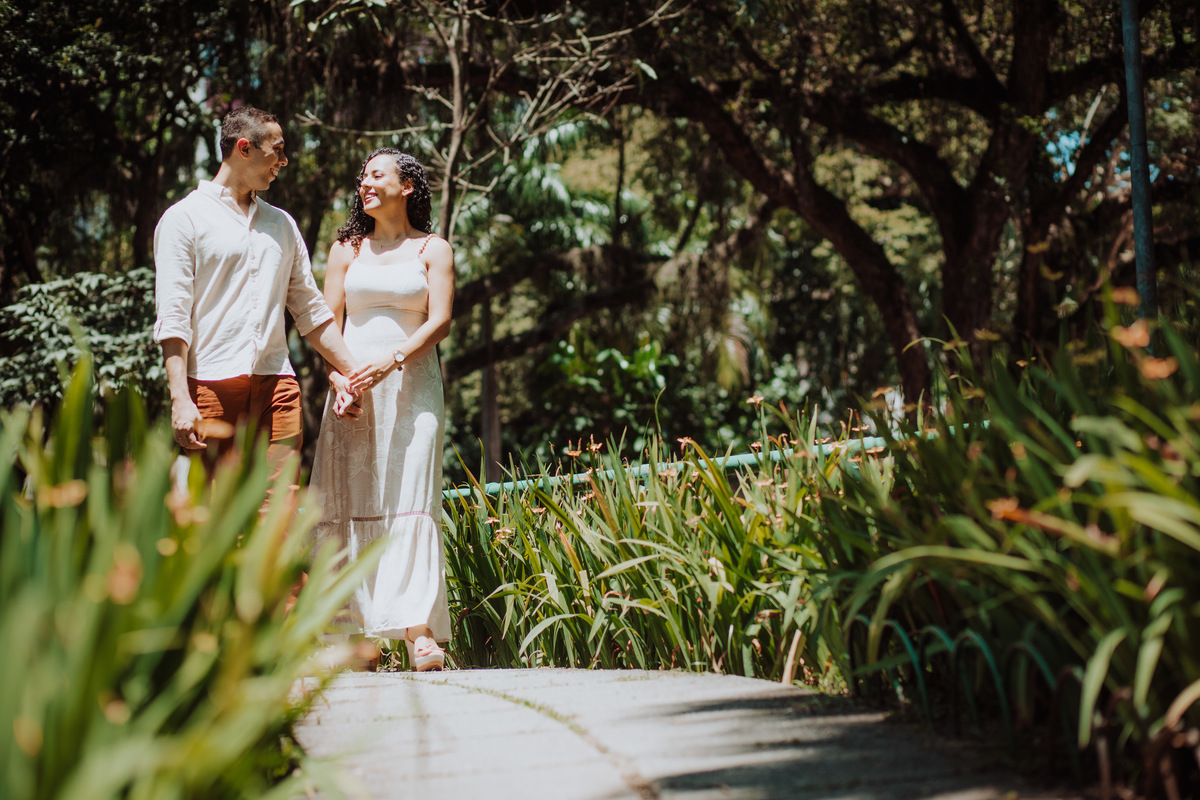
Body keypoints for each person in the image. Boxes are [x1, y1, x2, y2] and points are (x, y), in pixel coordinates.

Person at [153, 105, 360, 492]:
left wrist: (355, 375)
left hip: (277, 385)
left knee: (277, 515)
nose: (284, 160)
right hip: (210, 386)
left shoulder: (281, 223)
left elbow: (310, 309)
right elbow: (173, 314)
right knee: (217, 516)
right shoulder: (184, 219)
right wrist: (180, 399)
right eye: (277, 150)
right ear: (243, 148)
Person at [310, 148, 455, 671]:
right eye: (362, 177)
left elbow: (439, 321)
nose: (364, 183)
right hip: (352, 390)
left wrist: (391, 361)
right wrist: (340, 379)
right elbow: (325, 326)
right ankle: (353, 635)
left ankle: (419, 631)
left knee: (410, 497)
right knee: (351, 500)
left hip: (412, 387)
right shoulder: (345, 249)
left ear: (408, 186)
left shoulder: (432, 250)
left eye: (376, 175)